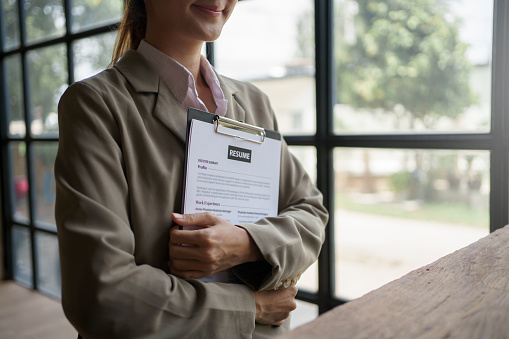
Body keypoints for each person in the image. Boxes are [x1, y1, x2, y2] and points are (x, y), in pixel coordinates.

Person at [55, 0, 328, 338]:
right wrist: (251, 307)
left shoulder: (254, 102)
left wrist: (245, 243)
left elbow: (311, 213)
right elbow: (101, 294)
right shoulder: (96, 105)